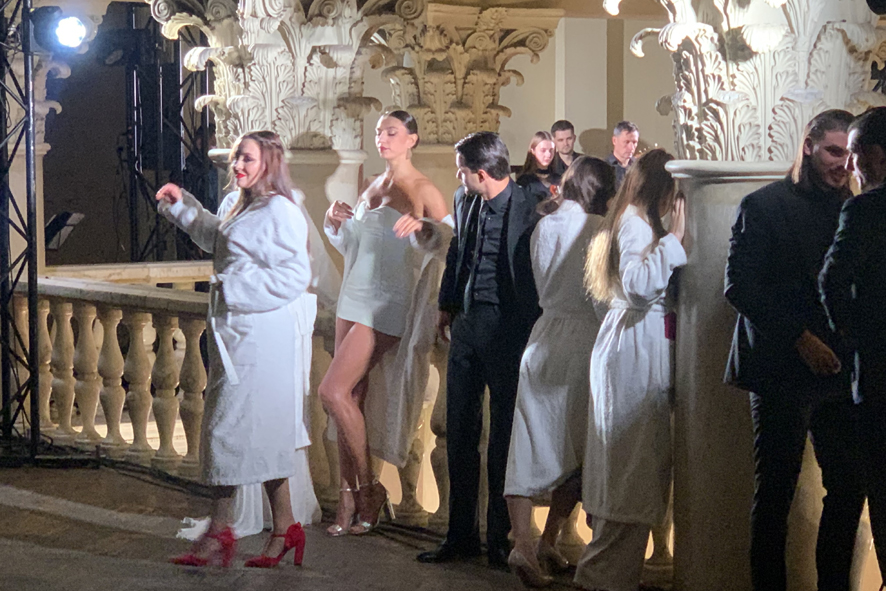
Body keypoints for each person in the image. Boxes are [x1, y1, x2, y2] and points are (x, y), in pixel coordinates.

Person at [158, 130, 314, 568]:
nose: (238, 165)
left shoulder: (281, 211)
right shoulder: (236, 203)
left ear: (269, 162)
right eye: (236, 158)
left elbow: (294, 275)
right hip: (235, 332)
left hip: (261, 335)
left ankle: (219, 530)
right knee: (260, 432)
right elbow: (217, 238)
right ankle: (285, 527)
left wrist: (236, 288)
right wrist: (183, 207)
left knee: (224, 429)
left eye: (246, 158)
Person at [724, 109, 865, 591]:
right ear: (808, 146)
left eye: (849, 154)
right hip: (780, 368)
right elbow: (739, 287)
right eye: (833, 151)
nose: (843, 163)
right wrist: (801, 339)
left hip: (838, 370)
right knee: (775, 495)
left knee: (848, 489)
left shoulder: (853, 208)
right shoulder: (762, 205)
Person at [321, 110, 449, 537]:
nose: (382, 138)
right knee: (350, 399)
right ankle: (348, 497)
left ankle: (370, 489)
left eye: (392, 132)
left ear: (412, 138)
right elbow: (356, 244)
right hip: (352, 295)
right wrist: (336, 222)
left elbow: (448, 244)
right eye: (378, 132)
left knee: (331, 390)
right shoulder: (372, 183)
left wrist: (425, 228)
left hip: (386, 304)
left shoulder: (424, 188)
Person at [417, 131, 541, 569]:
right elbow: (457, 253)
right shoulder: (464, 199)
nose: (458, 177)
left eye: (462, 170)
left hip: (508, 330)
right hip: (466, 328)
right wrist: (446, 306)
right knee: (458, 434)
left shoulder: (531, 205)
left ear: (483, 173)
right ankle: (460, 536)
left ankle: (500, 540)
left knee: (503, 438)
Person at [504, 156, 615, 588]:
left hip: (543, 333)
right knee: (584, 448)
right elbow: (599, 298)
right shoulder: (598, 229)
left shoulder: (543, 226)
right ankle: (547, 538)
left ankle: (528, 543)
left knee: (528, 441)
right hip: (583, 340)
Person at [577, 149, 686, 591]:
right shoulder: (636, 223)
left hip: (629, 342)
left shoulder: (628, 218)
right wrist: (675, 240)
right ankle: (601, 579)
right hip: (634, 346)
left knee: (630, 465)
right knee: (630, 465)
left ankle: (608, 577)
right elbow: (640, 286)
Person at [819, 106, 886, 586]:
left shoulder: (864, 209)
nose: (851, 167)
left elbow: (832, 281)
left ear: (877, 157)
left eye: (856, 154)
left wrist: (855, 338)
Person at [516, 131, 561, 202]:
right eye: (543, 150)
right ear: (533, 151)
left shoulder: (559, 179)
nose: (548, 155)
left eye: (551, 150)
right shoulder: (525, 181)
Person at [606, 121, 639, 189]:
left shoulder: (639, 167)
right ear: (614, 140)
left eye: (634, 142)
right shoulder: (604, 167)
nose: (631, 147)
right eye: (626, 142)